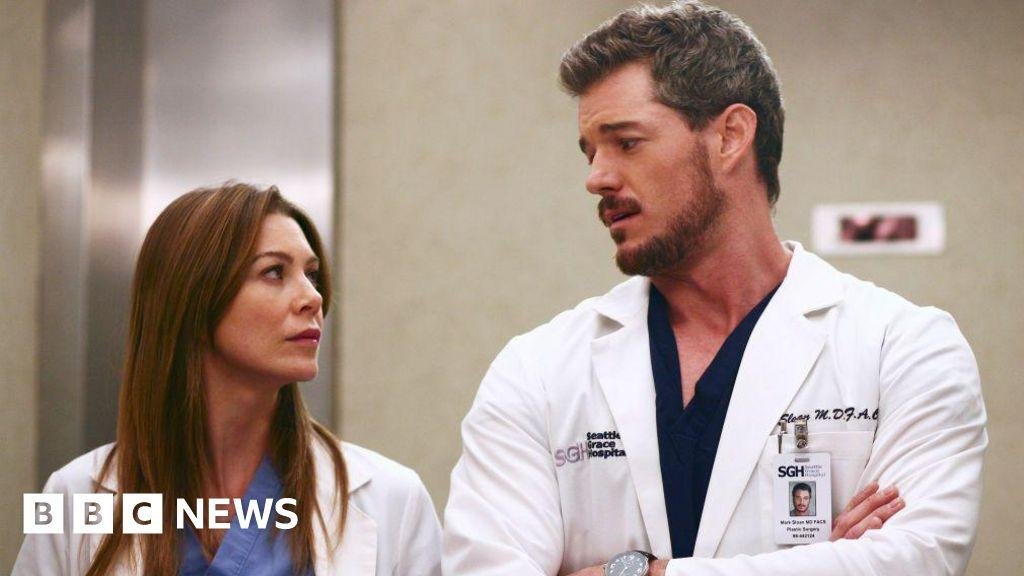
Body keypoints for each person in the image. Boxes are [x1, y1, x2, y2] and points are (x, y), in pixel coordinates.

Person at [443, 2, 986, 576]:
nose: (596, 178)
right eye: (591, 152)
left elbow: (916, 560)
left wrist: (637, 572)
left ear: (730, 136)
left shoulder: (904, 349)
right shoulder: (537, 371)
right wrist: (828, 562)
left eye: (626, 142)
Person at [14, 184, 442, 576]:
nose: (313, 298)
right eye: (274, 272)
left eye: (311, 275)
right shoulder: (70, 498)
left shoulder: (394, 500)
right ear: (194, 299)